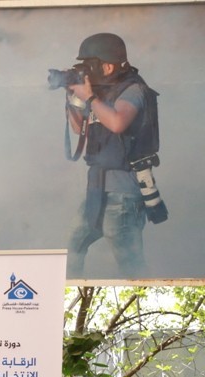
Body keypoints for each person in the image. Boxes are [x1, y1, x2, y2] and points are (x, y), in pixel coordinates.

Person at [64, 32, 163, 279]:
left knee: (131, 265)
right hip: (97, 188)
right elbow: (78, 128)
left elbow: (118, 123)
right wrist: (73, 98)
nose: (86, 71)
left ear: (108, 66)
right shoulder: (100, 94)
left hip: (123, 193)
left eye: (90, 65)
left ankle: (143, 296)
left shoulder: (134, 89)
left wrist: (89, 97)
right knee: (73, 247)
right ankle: (68, 291)